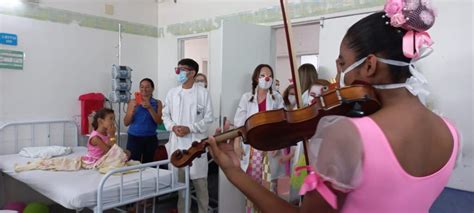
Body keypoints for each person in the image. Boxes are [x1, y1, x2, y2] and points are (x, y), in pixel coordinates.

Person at [207, 1, 459, 212]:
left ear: (369, 66)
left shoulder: (351, 134)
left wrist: (233, 172)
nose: (341, 76)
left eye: (342, 64)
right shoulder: (450, 132)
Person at [162, 58, 214, 213]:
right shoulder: (173, 93)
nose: (179, 72)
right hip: (177, 145)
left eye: (182, 69)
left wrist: (190, 128)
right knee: (182, 189)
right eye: (177, 69)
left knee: (201, 188)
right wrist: (173, 127)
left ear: (192, 73)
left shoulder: (203, 93)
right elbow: (165, 115)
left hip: (195, 145)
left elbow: (209, 118)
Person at [233, 64, 284, 212]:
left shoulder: (276, 98)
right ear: (256, 78)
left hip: (269, 146)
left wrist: (278, 144)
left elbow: (281, 123)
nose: (266, 78)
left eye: (269, 75)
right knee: (252, 188)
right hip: (252, 148)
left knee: (269, 187)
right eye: (262, 75)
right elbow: (239, 122)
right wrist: (237, 143)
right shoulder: (247, 98)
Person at [124, 78, 163, 163]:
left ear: (152, 89)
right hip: (134, 138)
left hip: (151, 138)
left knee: (149, 165)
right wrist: (131, 111)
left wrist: (150, 108)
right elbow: (126, 123)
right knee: (133, 165)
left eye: (147, 87)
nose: (144, 89)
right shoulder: (133, 102)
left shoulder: (157, 103)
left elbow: (159, 122)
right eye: (141, 87)